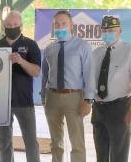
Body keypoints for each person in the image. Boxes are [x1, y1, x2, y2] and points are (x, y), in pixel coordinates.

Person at [92, 16, 131, 162]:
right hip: (98, 108)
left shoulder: (130, 51)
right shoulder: (96, 53)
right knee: (101, 154)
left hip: (120, 108)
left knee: (119, 155)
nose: (107, 33)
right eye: (104, 30)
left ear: (120, 31)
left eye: (111, 30)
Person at [41, 10, 94, 162]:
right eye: (56, 24)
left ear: (71, 25)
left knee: (77, 141)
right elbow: (45, 75)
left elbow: (89, 73)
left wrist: (88, 100)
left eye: (63, 23)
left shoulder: (82, 46)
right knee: (55, 142)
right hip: (52, 97)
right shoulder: (50, 49)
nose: (60, 26)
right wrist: (43, 97)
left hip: (75, 98)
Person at [0, 11, 41, 162]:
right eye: (8, 25)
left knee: (31, 142)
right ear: (4, 26)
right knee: (4, 142)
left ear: (21, 26)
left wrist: (21, 61)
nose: (11, 27)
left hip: (24, 102)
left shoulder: (31, 44)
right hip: (2, 102)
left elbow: (36, 71)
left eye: (15, 25)